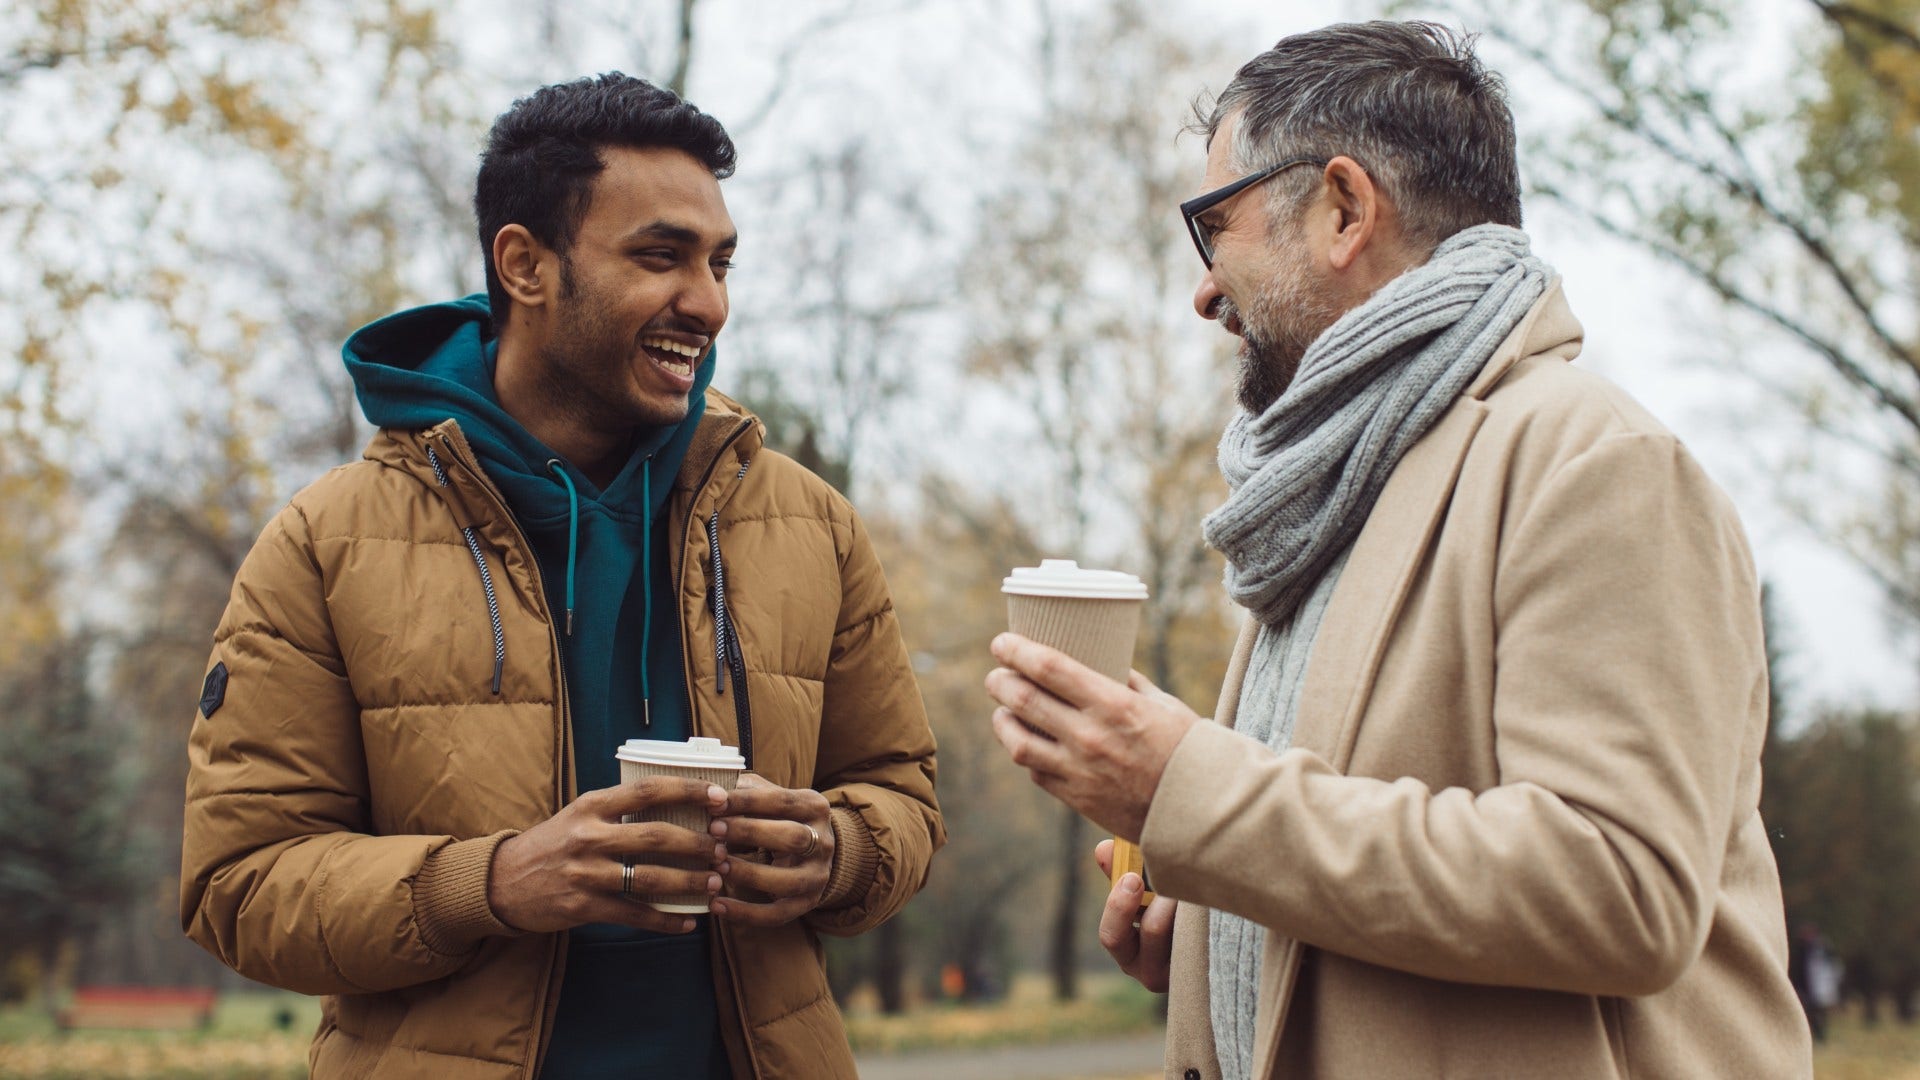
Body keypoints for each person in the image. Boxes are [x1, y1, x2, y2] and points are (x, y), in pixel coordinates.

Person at [984, 21, 1811, 1079]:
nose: (1203, 289)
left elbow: (1621, 889)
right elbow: (1363, 866)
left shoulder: (1599, 463)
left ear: (1342, 208)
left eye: (1213, 226)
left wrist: (1184, 787)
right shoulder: (1337, 494)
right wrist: (1216, 926)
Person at [181, 74, 942, 1079]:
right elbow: (238, 885)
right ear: (526, 264)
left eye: (720, 263)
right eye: (660, 257)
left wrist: (839, 851)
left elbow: (902, 798)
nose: (707, 303)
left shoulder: (810, 525)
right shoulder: (328, 542)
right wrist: (489, 883)